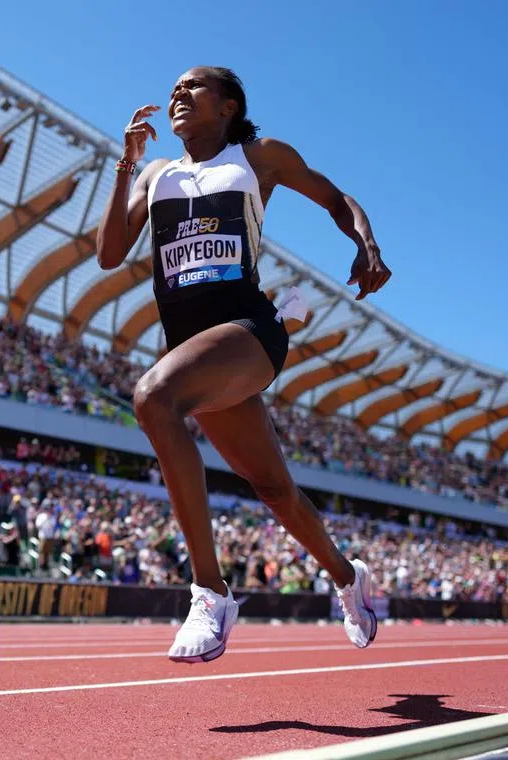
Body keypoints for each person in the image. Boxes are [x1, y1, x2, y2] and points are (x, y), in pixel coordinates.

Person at [96, 67, 390, 663]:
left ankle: (210, 592)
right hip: (193, 346)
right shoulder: (156, 174)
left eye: (193, 86)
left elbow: (336, 198)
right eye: (174, 88)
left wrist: (367, 244)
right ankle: (347, 576)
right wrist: (126, 163)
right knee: (274, 489)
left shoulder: (257, 158)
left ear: (229, 106)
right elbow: (108, 254)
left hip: (249, 330)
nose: (178, 94)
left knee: (153, 397)